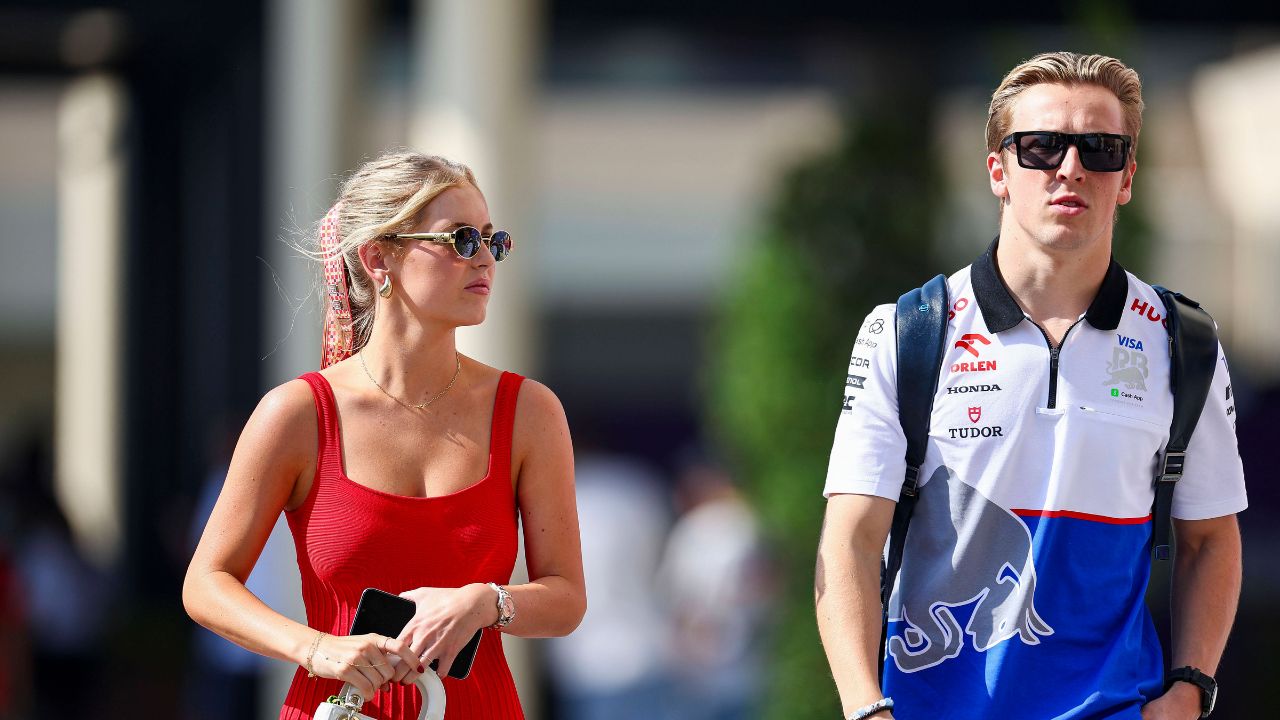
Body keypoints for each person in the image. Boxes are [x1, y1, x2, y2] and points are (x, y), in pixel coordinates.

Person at [815, 52, 1245, 720]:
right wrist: (865, 708)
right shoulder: (906, 330)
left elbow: (1211, 539)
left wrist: (1190, 688)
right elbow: (849, 540)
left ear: (1127, 176)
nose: (1070, 168)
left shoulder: (1182, 341)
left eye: (1100, 149)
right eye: (1042, 147)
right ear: (999, 171)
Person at [184, 151, 586, 719]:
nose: (486, 262)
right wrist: (316, 647)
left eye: (493, 241)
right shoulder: (298, 413)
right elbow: (205, 583)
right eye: (461, 240)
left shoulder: (528, 411)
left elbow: (567, 598)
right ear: (378, 257)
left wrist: (486, 601)